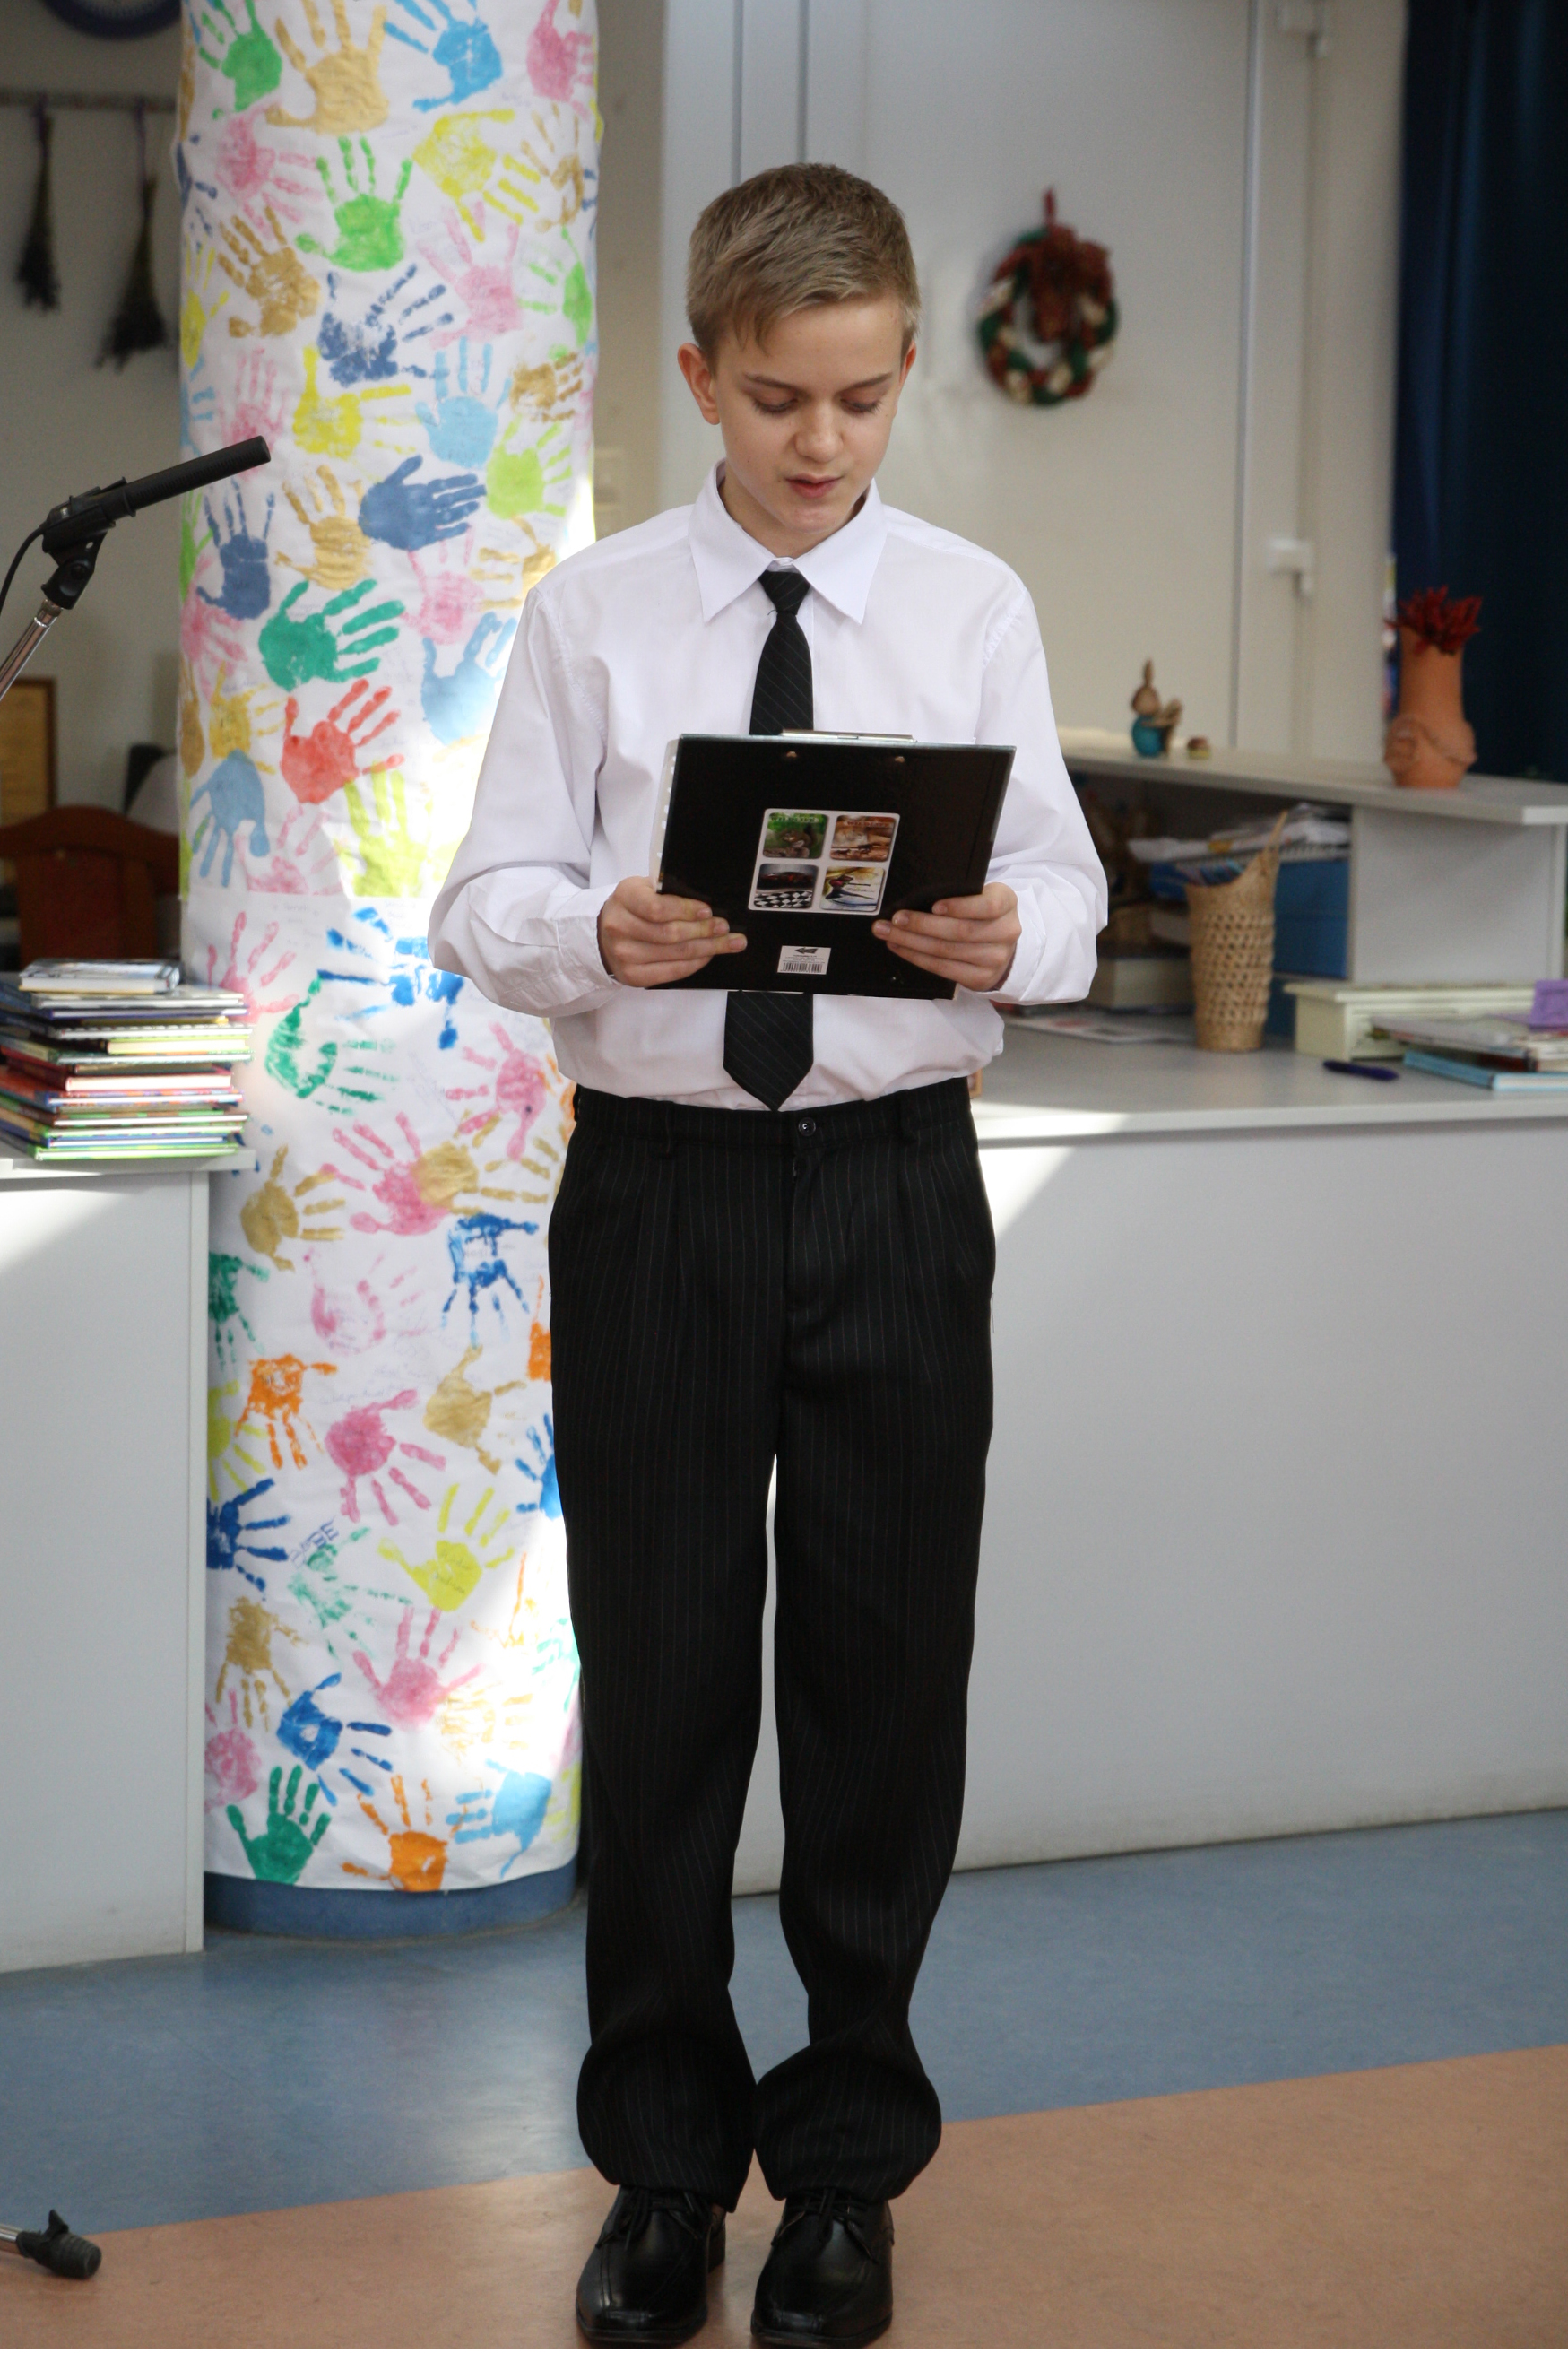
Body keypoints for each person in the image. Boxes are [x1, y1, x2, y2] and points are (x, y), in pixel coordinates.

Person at [429, 161, 1105, 2349]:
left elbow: (1066, 893)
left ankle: (840, 2175)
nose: (822, 442)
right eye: (778, 398)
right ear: (701, 374)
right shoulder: (594, 612)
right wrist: (588, 930)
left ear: (904, 374)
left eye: (862, 398)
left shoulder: (971, 607)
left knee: (882, 1688)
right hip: (660, 1197)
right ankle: (658, 2172)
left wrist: (1011, 934)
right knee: (662, 1684)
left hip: (896, 1184)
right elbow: (480, 898)